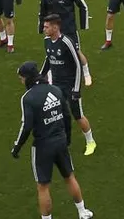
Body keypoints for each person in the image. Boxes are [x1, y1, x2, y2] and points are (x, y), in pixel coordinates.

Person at [12, 62, 94, 219]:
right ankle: (83, 212)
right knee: (69, 176)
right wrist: (67, 139)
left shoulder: (28, 98)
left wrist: (17, 147)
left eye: (21, 78)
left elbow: (26, 127)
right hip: (61, 141)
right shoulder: (55, 90)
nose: (21, 82)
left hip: (43, 146)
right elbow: (66, 116)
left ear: (27, 78)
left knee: (43, 186)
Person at [40, 14, 97, 156]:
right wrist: (40, 76)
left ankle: (90, 141)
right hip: (56, 86)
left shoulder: (66, 42)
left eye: (47, 27)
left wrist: (76, 89)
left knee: (78, 115)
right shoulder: (47, 41)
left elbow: (78, 65)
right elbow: (48, 59)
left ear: (55, 27)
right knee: (57, 114)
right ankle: (62, 142)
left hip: (70, 85)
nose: (44, 29)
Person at [38, 0, 93, 86]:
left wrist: (84, 25)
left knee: (77, 52)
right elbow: (42, 13)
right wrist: (41, 28)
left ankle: (86, 73)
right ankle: (51, 77)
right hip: (53, 31)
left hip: (69, 29)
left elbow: (83, 6)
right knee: (51, 53)